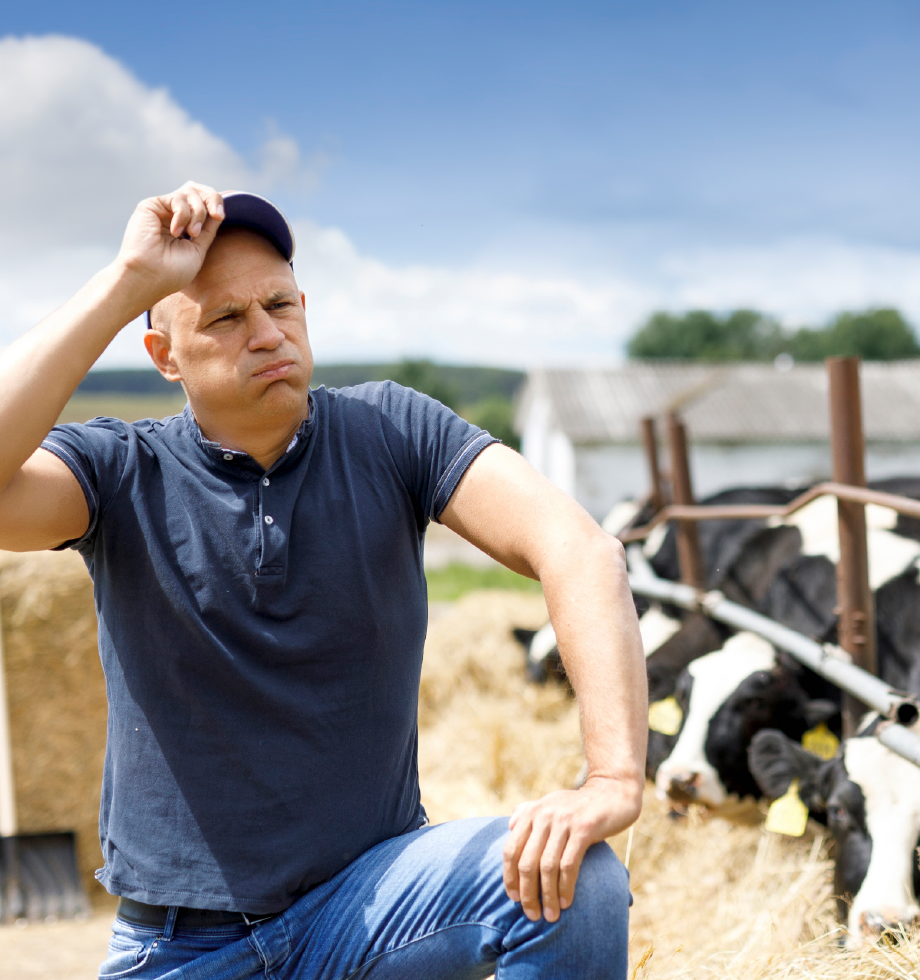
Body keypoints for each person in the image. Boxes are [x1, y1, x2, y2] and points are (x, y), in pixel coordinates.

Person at [0, 182, 646, 979]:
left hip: (374, 908)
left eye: (280, 305)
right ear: (164, 355)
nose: (267, 334)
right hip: (181, 946)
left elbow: (579, 550)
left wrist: (612, 777)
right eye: (227, 318)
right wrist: (127, 283)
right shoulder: (120, 470)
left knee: (576, 881)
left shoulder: (392, 430)